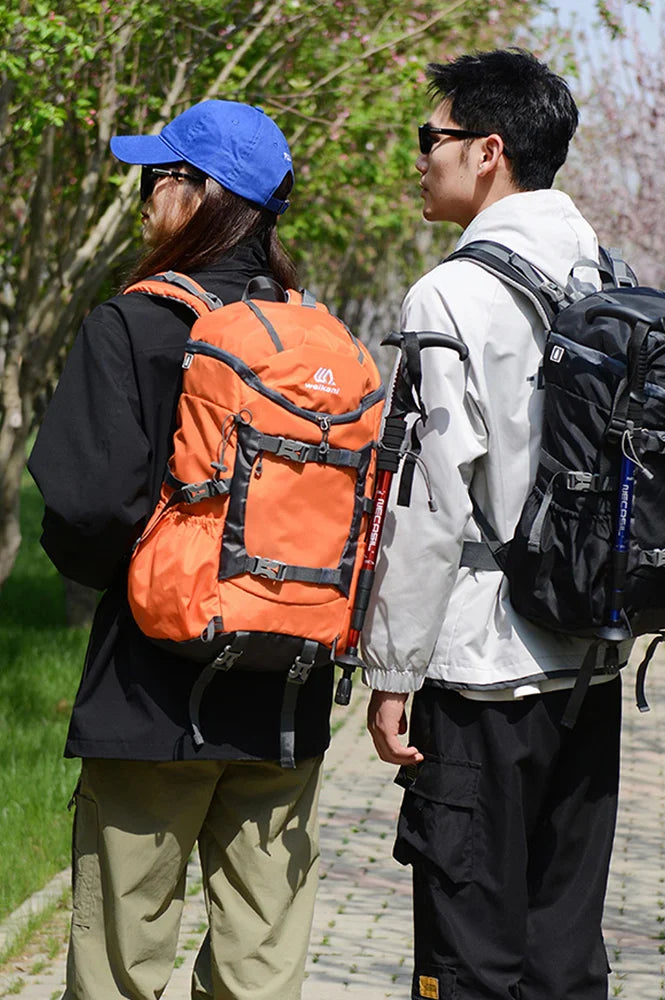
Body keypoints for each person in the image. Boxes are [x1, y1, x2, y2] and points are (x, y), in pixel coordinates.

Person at [28, 100, 329, 1000]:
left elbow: (86, 508)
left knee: (120, 958)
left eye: (160, 177)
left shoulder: (133, 324)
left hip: (151, 694)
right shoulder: (315, 339)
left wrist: (136, 583)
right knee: (261, 965)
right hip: (289, 694)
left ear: (205, 197)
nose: (148, 195)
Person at [361, 50, 627, 1000]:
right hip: (589, 661)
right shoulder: (611, 275)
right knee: (565, 953)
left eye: (430, 138)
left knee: (469, 956)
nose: (420, 157)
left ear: (488, 151)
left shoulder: (451, 294)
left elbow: (431, 504)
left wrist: (390, 676)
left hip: (480, 672)